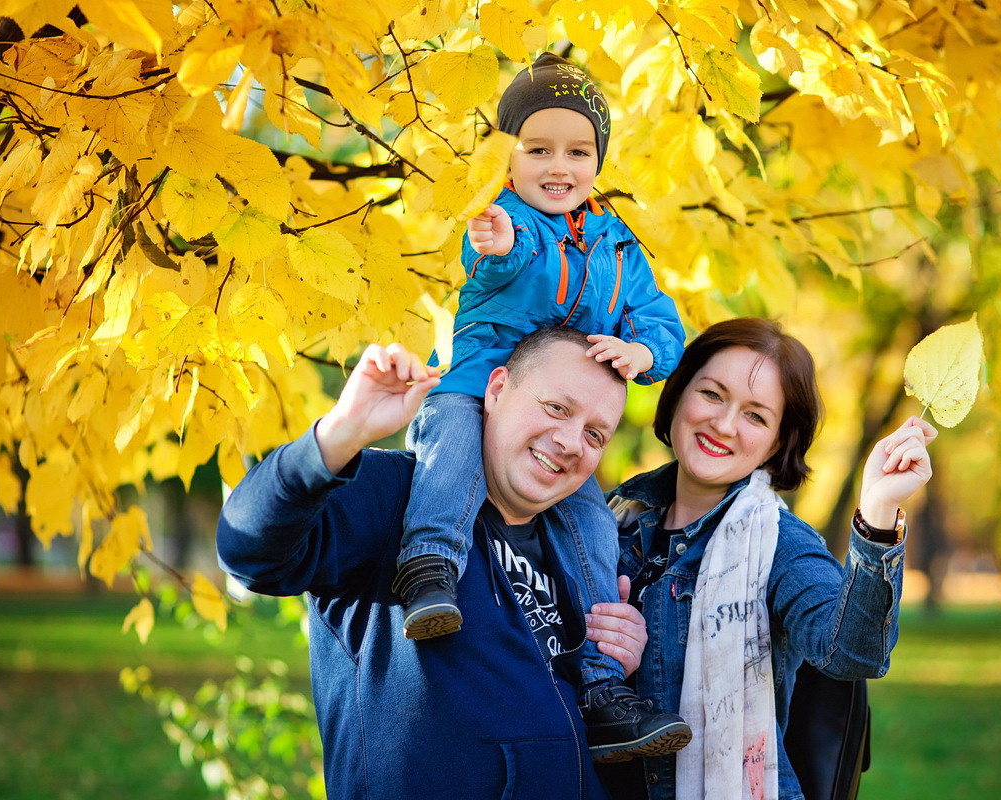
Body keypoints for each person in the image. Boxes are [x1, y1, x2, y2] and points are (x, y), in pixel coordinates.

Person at [216, 327, 687, 799]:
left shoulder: (583, 549)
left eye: (594, 434)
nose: (570, 441)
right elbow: (248, 550)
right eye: (556, 408)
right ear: (497, 388)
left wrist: (617, 658)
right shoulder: (397, 495)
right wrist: (342, 432)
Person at [394, 52, 687, 760]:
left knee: (592, 525)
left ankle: (598, 681)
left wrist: (644, 354)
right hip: (477, 386)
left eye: (578, 150)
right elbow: (504, 258)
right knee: (454, 452)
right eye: (538, 148)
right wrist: (492, 244)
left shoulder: (618, 245)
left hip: (555, 423)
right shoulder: (510, 221)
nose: (559, 166)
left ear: (597, 160)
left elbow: (662, 321)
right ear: (509, 157)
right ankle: (429, 568)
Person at [585, 317, 936, 800]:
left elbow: (853, 652)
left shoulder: (779, 544)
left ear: (777, 443)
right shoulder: (603, 516)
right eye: (711, 394)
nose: (724, 424)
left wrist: (877, 513)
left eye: (756, 415)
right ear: (679, 394)